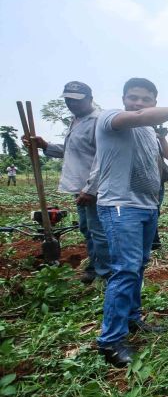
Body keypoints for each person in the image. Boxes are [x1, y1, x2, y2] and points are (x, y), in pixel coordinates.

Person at [94, 77, 168, 367]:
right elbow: (139, 117)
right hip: (120, 205)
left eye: (145, 99)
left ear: (154, 101)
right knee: (125, 269)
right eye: (133, 97)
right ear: (124, 99)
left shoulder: (149, 132)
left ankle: (132, 319)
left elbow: (163, 156)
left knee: (138, 266)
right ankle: (111, 341)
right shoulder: (111, 119)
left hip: (146, 206)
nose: (138, 103)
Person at [23, 82, 110, 284]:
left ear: (90, 98)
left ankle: (107, 274)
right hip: (81, 188)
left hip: (94, 189)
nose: (72, 104)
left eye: (77, 100)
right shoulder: (77, 120)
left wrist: (90, 189)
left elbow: (103, 157)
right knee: (88, 229)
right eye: (68, 100)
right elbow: (73, 151)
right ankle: (96, 266)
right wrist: (45, 146)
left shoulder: (98, 121)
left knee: (98, 232)